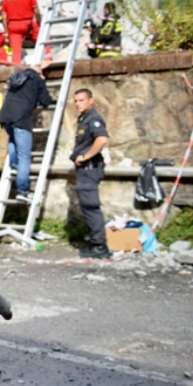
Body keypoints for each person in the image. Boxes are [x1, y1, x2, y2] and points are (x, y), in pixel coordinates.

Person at [0, 63, 54, 203]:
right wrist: (43, 83)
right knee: (25, 156)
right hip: (21, 118)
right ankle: (23, 191)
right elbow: (45, 101)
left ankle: (14, 165)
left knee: (13, 139)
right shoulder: (36, 79)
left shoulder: (16, 77)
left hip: (6, 116)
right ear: (38, 70)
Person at [70, 88, 110, 258]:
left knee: (91, 207)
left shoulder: (93, 119)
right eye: (76, 101)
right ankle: (95, 242)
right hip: (84, 170)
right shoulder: (84, 118)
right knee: (87, 207)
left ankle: (99, 247)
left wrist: (85, 156)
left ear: (91, 100)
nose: (78, 104)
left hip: (89, 168)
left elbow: (102, 139)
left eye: (82, 100)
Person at [0, 0, 41, 64]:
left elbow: (4, 17)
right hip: (28, 24)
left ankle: (16, 69)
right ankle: (48, 59)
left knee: (16, 52)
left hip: (13, 26)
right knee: (42, 40)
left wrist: (6, 32)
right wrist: (39, 23)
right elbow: (36, 11)